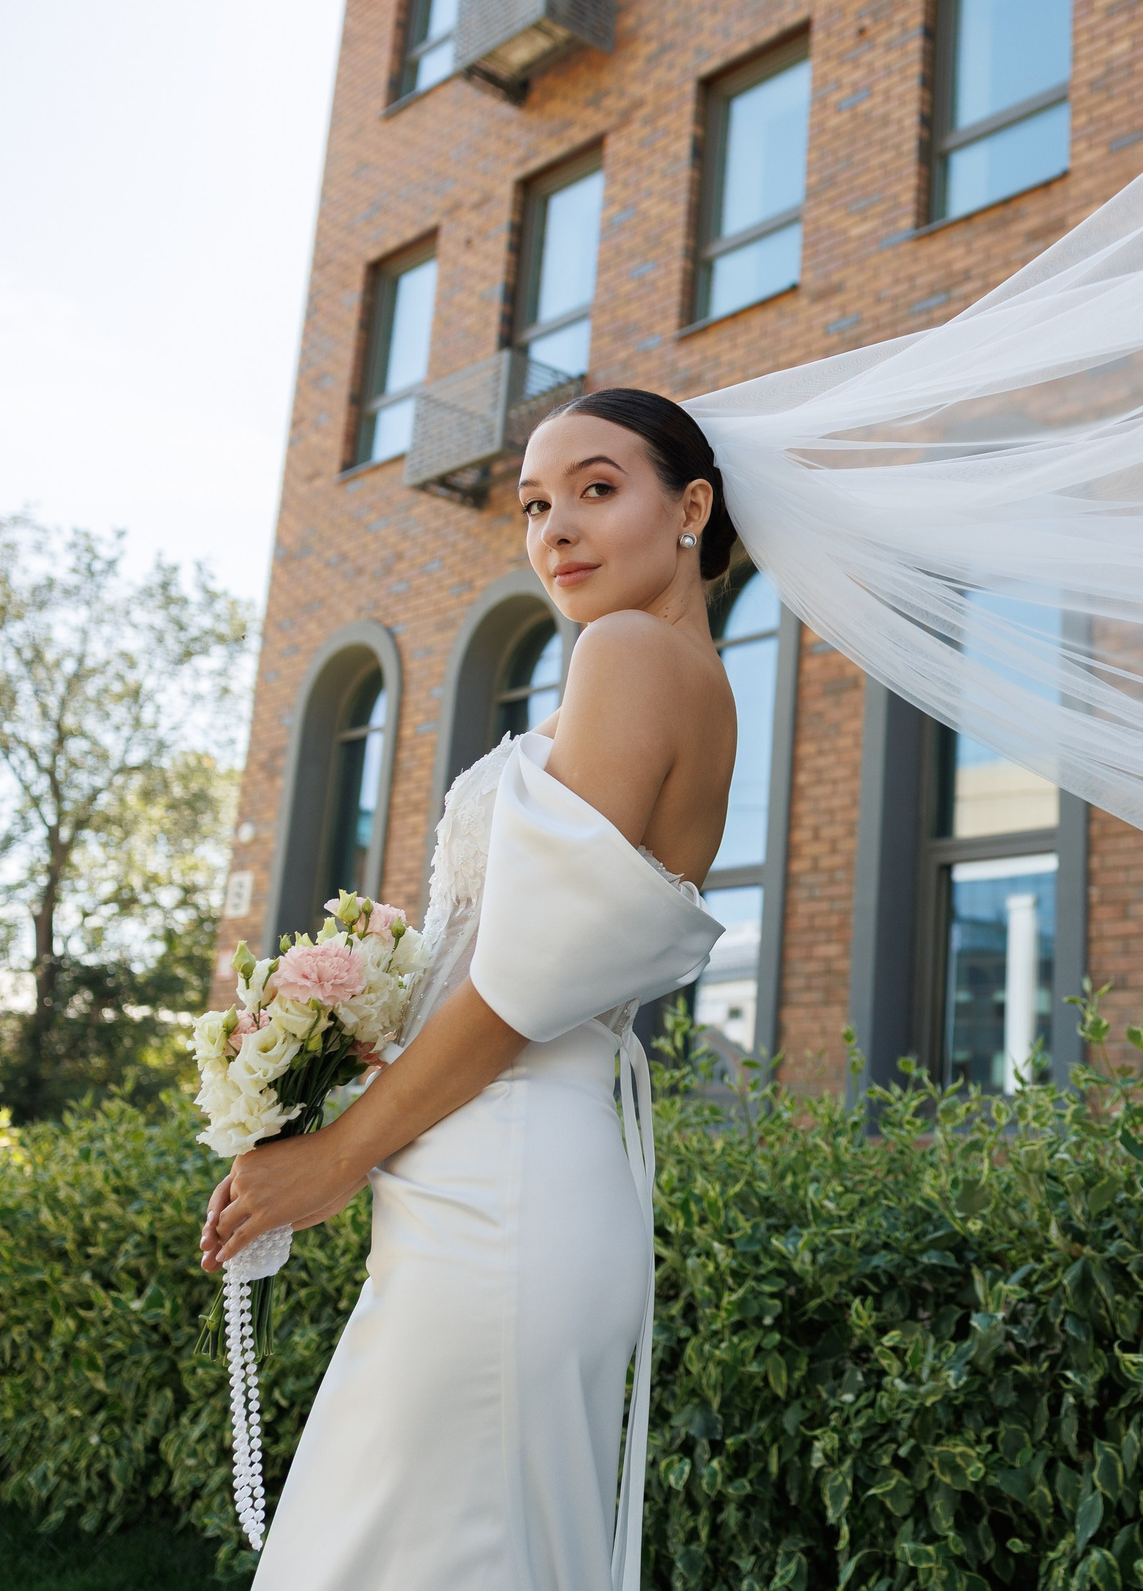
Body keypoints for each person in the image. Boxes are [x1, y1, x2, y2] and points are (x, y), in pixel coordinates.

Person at [197, 388, 741, 1590]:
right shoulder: (690, 680)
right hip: (515, 1175)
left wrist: (333, 1156)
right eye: (536, 504)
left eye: (598, 490)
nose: (555, 529)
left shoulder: (628, 652)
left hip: (503, 1183)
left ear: (690, 505)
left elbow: (514, 989)